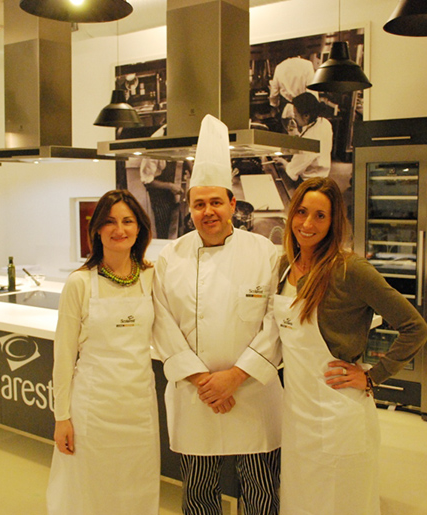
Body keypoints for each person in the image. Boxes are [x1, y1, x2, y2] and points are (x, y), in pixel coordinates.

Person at [273, 177, 427, 514]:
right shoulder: (284, 267)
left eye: (320, 216)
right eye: (301, 212)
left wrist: (374, 376)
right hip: (297, 413)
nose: (307, 223)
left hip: (338, 414)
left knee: (341, 502)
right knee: (302, 500)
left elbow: (415, 328)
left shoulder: (349, 270)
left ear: (334, 223)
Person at [153, 115, 283, 514]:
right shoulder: (168, 258)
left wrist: (234, 377)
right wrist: (203, 380)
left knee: (261, 491)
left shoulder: (266, 253)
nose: (208, 211)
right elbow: (161, 324)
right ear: (188, 207)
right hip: (195, 396)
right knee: (198, 492)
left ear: (232, 203)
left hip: (253, 392)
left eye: (215, 202)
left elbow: (276, 324)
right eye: (199, 204)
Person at [46, 190, 160, 515]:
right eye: (109, 222)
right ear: (96, 229)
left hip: (139, 407)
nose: (119, 229)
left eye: (127, 221)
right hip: (93, 408)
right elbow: (64, 356)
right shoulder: (79, 283)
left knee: (136, 486)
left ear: (139, 228)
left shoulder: (151, 277)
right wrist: (62, 417)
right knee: (89, 489)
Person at [274, 92, 333, 182]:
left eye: (296, 115)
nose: (294, 118)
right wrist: (295, 133)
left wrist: (283, 162)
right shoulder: (324, 123)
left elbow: (293, 173)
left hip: (309, 182)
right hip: (324, 176)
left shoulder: (308, 142)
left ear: (306, 116)